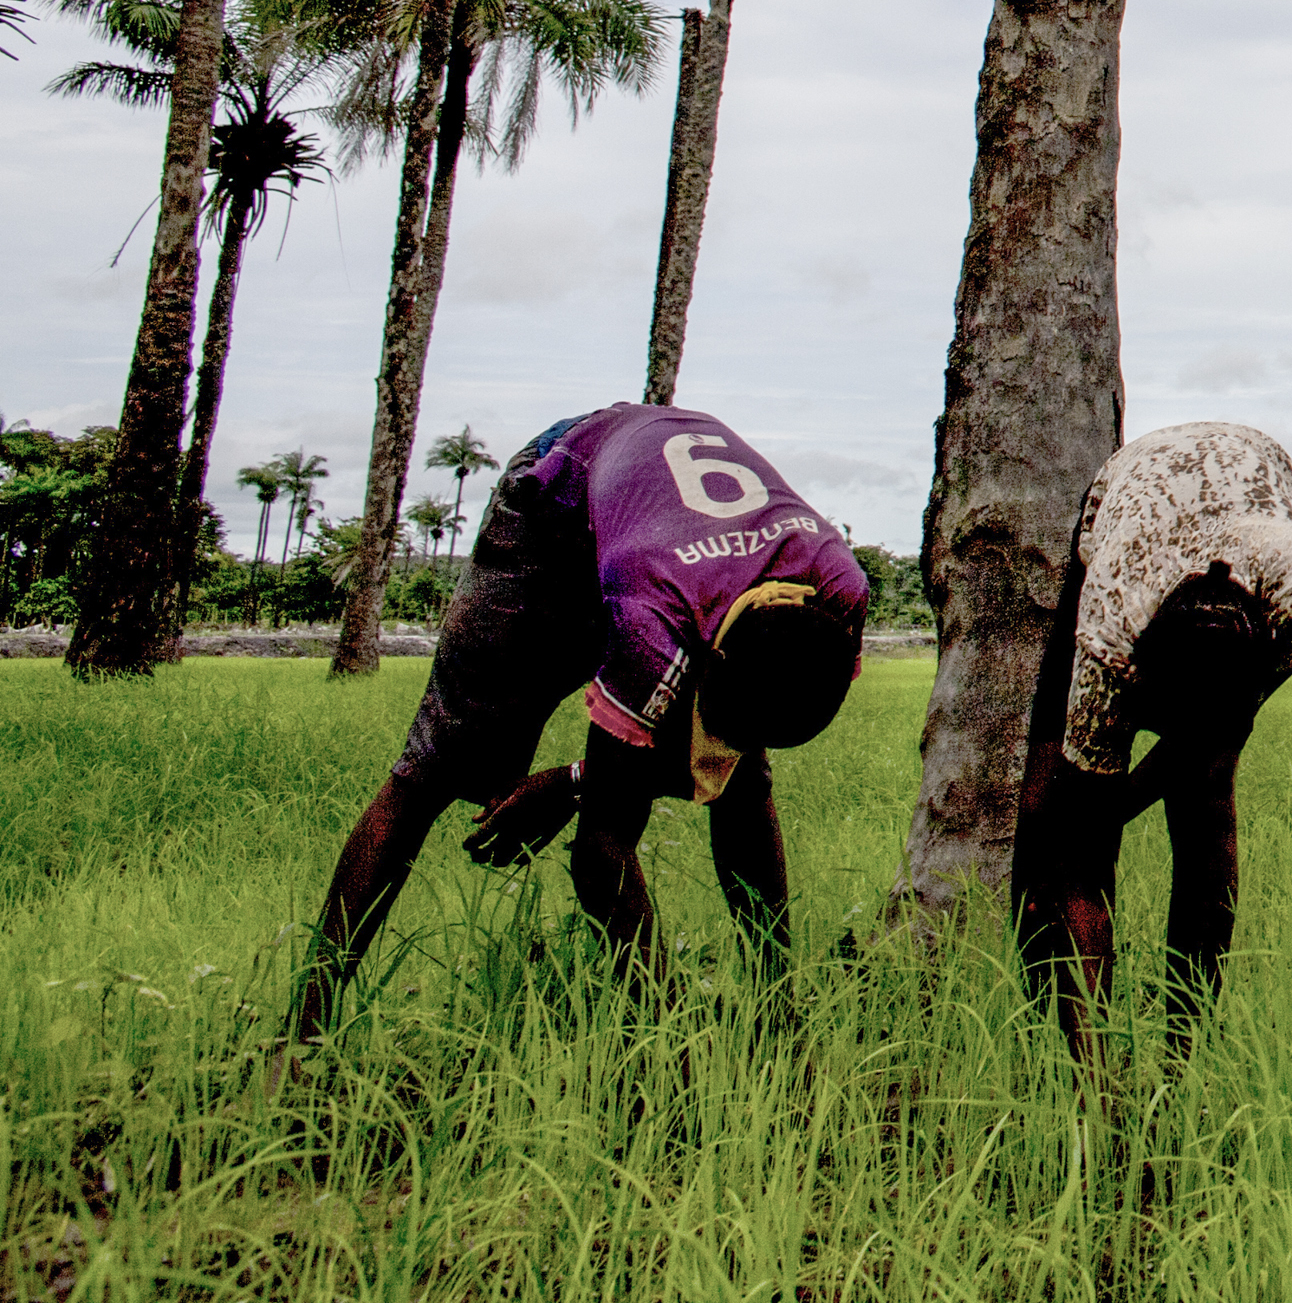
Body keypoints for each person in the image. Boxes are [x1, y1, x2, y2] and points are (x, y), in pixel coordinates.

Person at [293, 401, 868, 1037]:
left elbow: (719, 746)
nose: (717, 744)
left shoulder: (842, 588)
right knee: (436, 770)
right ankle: (303, 1031)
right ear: (710, 658)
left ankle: (778, 1011)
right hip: (558, 505)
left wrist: (567, 782)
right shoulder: (651, 618)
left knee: (743, 780)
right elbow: (602, 850)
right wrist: (671, 1041)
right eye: (714, 714)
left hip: (663, 534)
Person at [1012, 421, 1292, 1056]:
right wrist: (1083, 824)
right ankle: (1079, 1053)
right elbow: (1083, 818)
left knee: (1207, 795)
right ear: (1140, 668)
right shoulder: (1110, 626)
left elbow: (1218, 726)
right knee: (1053, 807)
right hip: (1131, 492)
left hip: (1262, 474)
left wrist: (1115, 807)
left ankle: (1184, 1049)